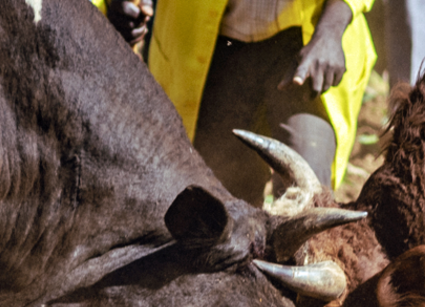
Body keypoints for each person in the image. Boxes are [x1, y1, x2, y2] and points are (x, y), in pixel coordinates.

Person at [107, 0, 376, 207]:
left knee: (307, 199)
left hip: (306, 43)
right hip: (212, 44)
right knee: (217, 206)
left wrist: (331, 30)